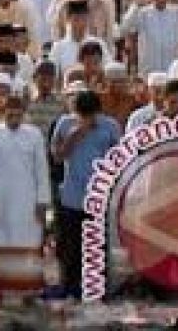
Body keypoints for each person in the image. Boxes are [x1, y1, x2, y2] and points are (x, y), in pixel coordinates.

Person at [0, 95, 51, 304]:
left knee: (29, 243)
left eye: (18, 115)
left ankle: (28, 293)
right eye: (10, 115)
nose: (14, 119)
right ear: (3, 114)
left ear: (24, 114)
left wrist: (42, 201)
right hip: (1, 201)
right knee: (2, 244)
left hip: (28, 201)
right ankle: (2, 292)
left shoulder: (34, 134)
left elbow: (41, 169)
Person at [51, 89, 120, 300]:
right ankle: (71, 287)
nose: (88, 119)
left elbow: (118, 158)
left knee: (97, 245)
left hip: (99, 196)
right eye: (83, 115)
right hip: (72, 196)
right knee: (70, 247)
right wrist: (74, 136)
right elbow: (57, 157)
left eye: (91, 115)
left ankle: (97, 288)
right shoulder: (65, 124)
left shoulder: (110, 126)